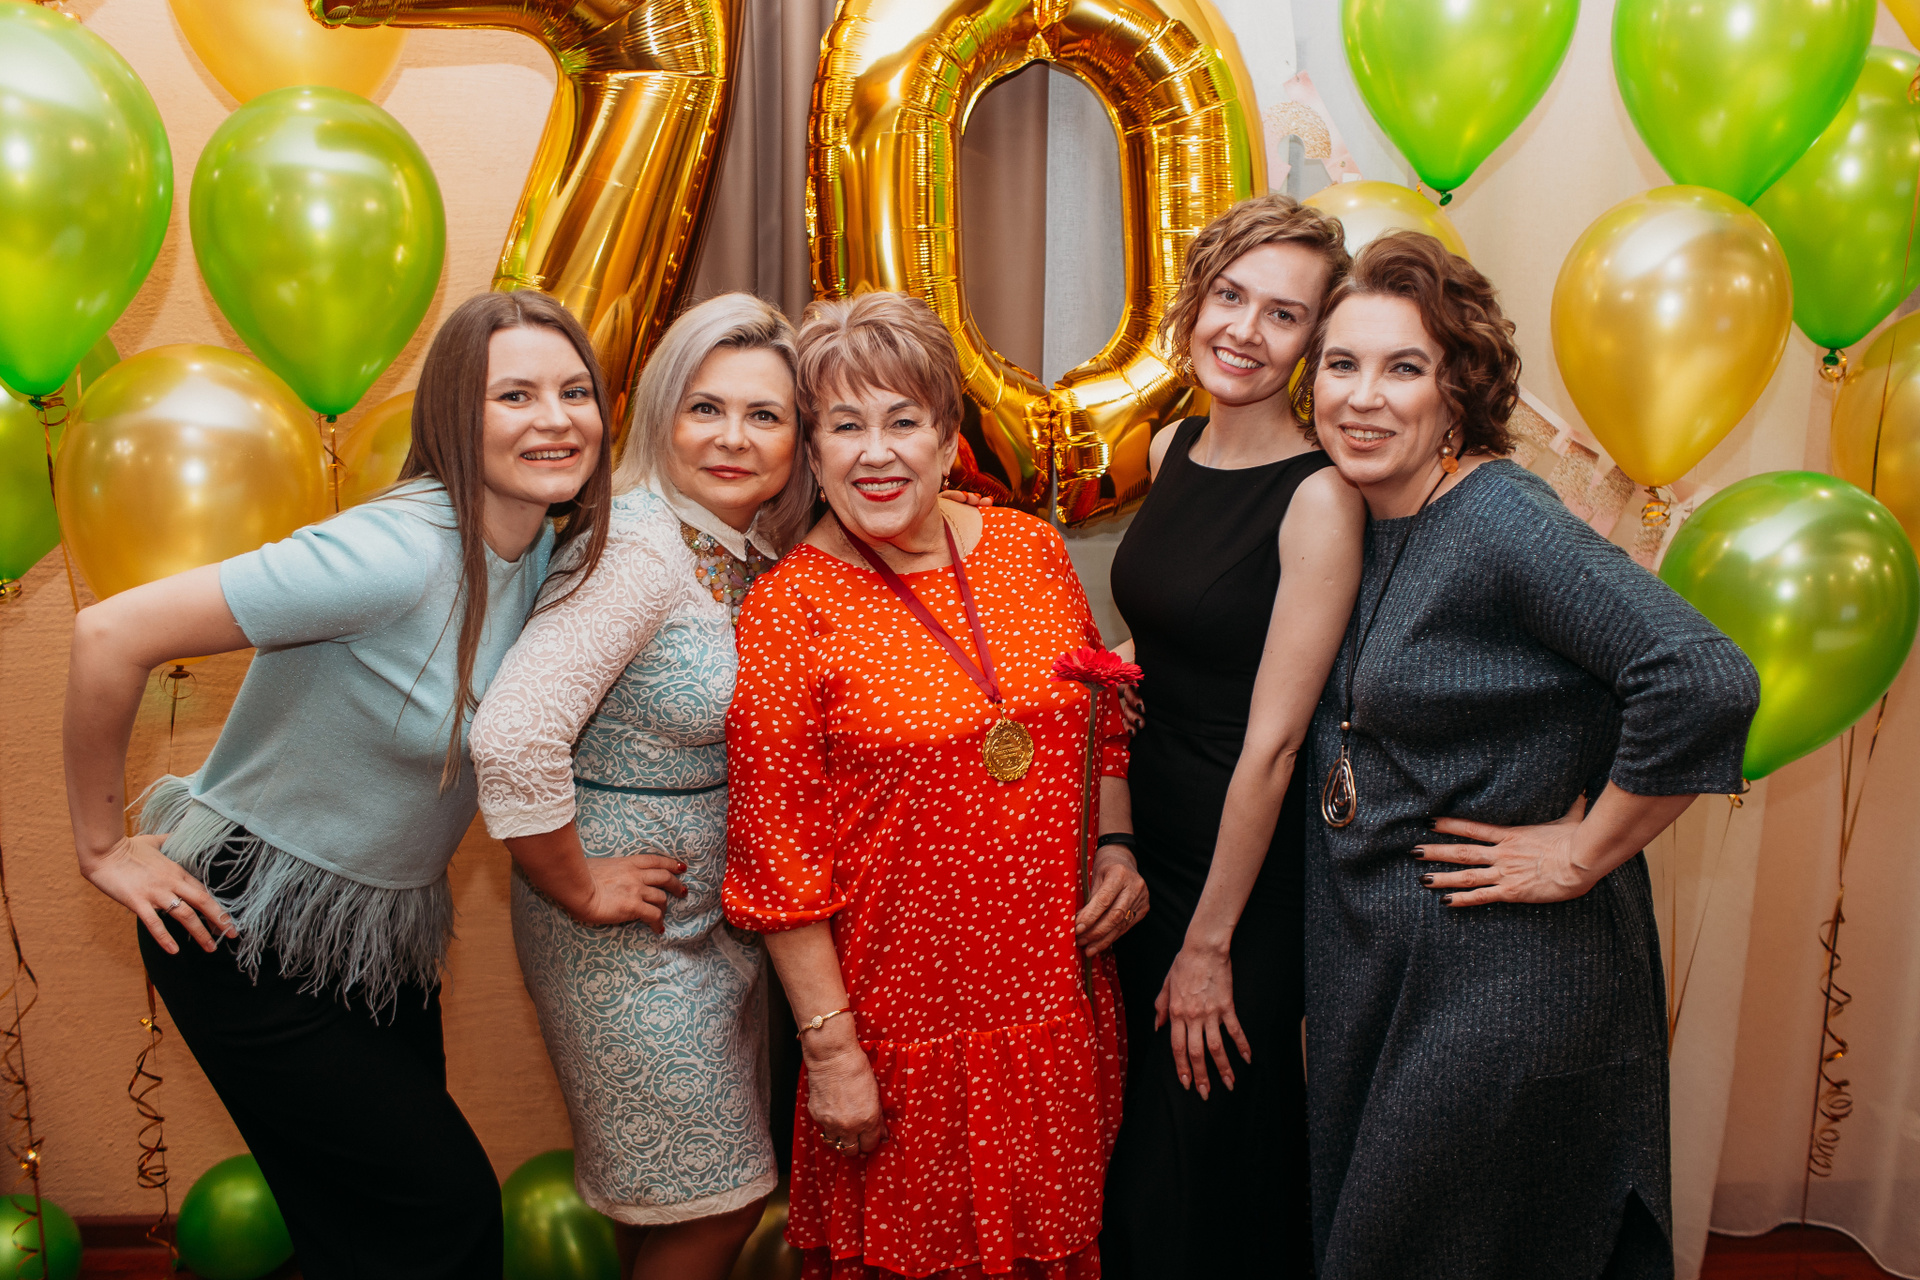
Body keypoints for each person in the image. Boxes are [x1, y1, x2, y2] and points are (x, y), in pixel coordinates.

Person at [62, 290, 612, 1278]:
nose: (556, 418)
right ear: (455, 413)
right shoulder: (395, 550)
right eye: (516, 394)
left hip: (377, 929)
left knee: (363, 1238)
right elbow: (109, 632)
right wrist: (102, 848)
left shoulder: (545, 550)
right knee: (442, 1213)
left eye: (576, 392)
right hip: (244, 924)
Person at [1300, 231, 1759, 1278]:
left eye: (1403, 367)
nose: (1363, 397)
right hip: (1395, 973)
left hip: (1507, 985)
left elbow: (1703, 676)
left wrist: (1583, 852)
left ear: (1457, 391)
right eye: (1341, 364)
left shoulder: (1501, 516)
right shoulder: (1356, 514)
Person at [722, 291, 1147, 1280]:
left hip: (1055, 1000)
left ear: (950, 436)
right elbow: (780, 863)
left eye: (903, 421)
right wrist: (832, 1053)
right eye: (844, 425)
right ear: (811, 450)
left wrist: (1116, 843)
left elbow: (1097, 709)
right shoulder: (788, 610)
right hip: (899, 1033)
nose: (876, 454)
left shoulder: (1029, 550)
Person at [470, 293, 816, 1280]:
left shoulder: (745, 549)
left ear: (798, 438)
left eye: (764, 414)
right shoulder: (637, 546)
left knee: (670, 1199)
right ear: (663, 411)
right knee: (724, 1201)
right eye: (707, 407)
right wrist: (579, 885)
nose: (734, 437)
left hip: (708, 929)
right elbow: (514, 734)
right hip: (620, 938)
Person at [1103, 193, 1364, 1278]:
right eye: (1231, 296)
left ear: (1313, 343)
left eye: (1284, 314)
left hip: (1238, 877)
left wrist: (1210, 944)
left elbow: (1275, 746)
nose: (1246, 331)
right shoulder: (1171, 445)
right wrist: (1118, 672)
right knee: (1145, 1145)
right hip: (1145, 845)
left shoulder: (1320, 499)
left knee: (1207, 1154)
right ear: (1196, 300)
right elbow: (1176, 619)